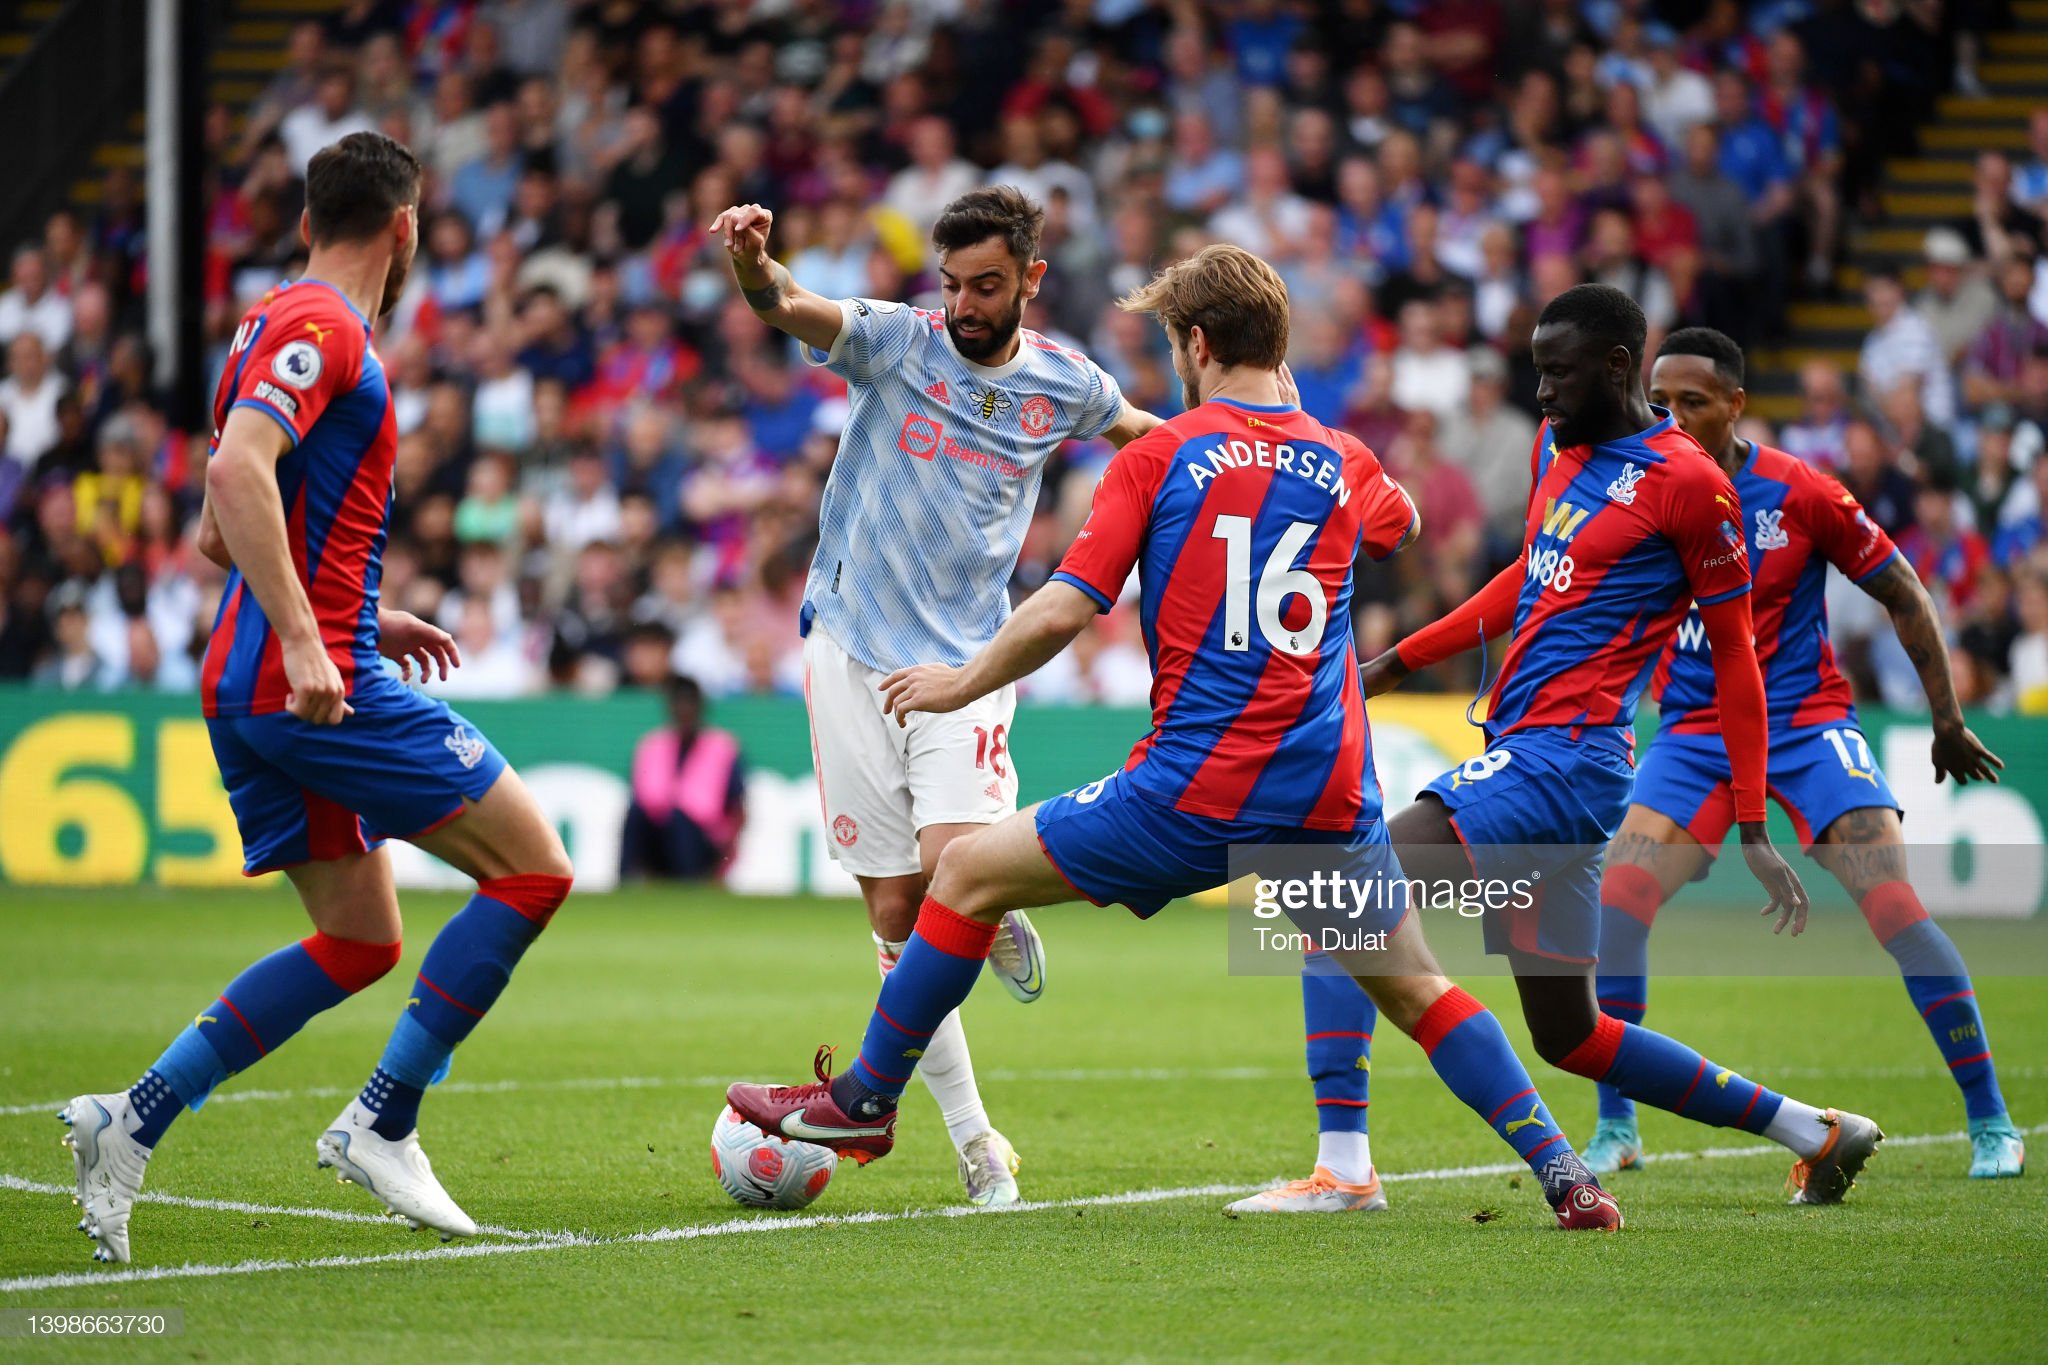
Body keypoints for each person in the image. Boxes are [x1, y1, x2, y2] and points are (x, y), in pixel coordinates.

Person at [726, 245, 1636, 1233]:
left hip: (1191, 787)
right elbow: (1402, 526)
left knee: (962, 878)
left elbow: (1064, 610)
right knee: (1415, 987)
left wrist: (961, 682)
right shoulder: (1342, 457)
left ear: (1195, 344)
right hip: (1327, 794)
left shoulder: (1159, 456)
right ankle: (1563, 1175)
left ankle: (861, 1105)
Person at [1253, 287, 1884, 1215]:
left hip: (1569, 760)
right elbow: (1527, 578)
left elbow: (1740, 660)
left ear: (1619, 367)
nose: (1541, 392)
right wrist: (1394, 659)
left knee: (1340, 899)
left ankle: (1345, 1168)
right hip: (1540, 760)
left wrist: (1751, 818)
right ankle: (1815, 1130)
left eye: (1559, 372)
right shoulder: (1561, 448)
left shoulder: (1688, 483)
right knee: (1572, 1033)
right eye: (1536, 369)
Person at [59, 133, 574, 1265]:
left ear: (305, 221)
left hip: (269, 671)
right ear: (405, 227)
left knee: (358, 939)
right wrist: (310, 634)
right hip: (302, 682)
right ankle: (384, 1119)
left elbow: (215, 528)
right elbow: (232, 479)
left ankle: (127, 1120)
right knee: (534, 869)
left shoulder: (266, 322)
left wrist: (349, 609)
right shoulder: (323, 327)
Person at [708, 186, 1161, 1206]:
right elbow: (789, 305)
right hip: (850, 653)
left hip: (964, 665)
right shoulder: (896, 343)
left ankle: (990, 899)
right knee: (896, 914)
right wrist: (749, 264)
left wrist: (1241, 455)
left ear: (1030, 282)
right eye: (951, 283)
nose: (962, 304)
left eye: (986, 286)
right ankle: (975, 1145)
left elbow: (1149, 437)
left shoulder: (1064, 382)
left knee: (950, 869)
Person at [1573, 327, 2024, 1180]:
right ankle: (1617, 1124)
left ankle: (1991, 1119)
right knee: (1621, 899)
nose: (1670, 417)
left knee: (1893, 905)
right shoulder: (1633, 490)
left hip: (1807, 724)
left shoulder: (1799, 491)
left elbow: (1902, 591)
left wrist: (1947, 717)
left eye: (1692, 403)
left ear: (1736, 405)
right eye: (1658, 403)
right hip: (1698, 731)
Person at [620, 673, 746, 880]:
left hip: (704, 839)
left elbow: (737, 806)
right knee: (636, 814)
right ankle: (625, 883)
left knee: (680, 821)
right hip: (658, 834)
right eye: (679, 702)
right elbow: (638, 797)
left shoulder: (723, 747)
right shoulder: (652, 745)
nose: (684, 709)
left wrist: (728, 848)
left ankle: (689, 884)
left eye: (689, 703)